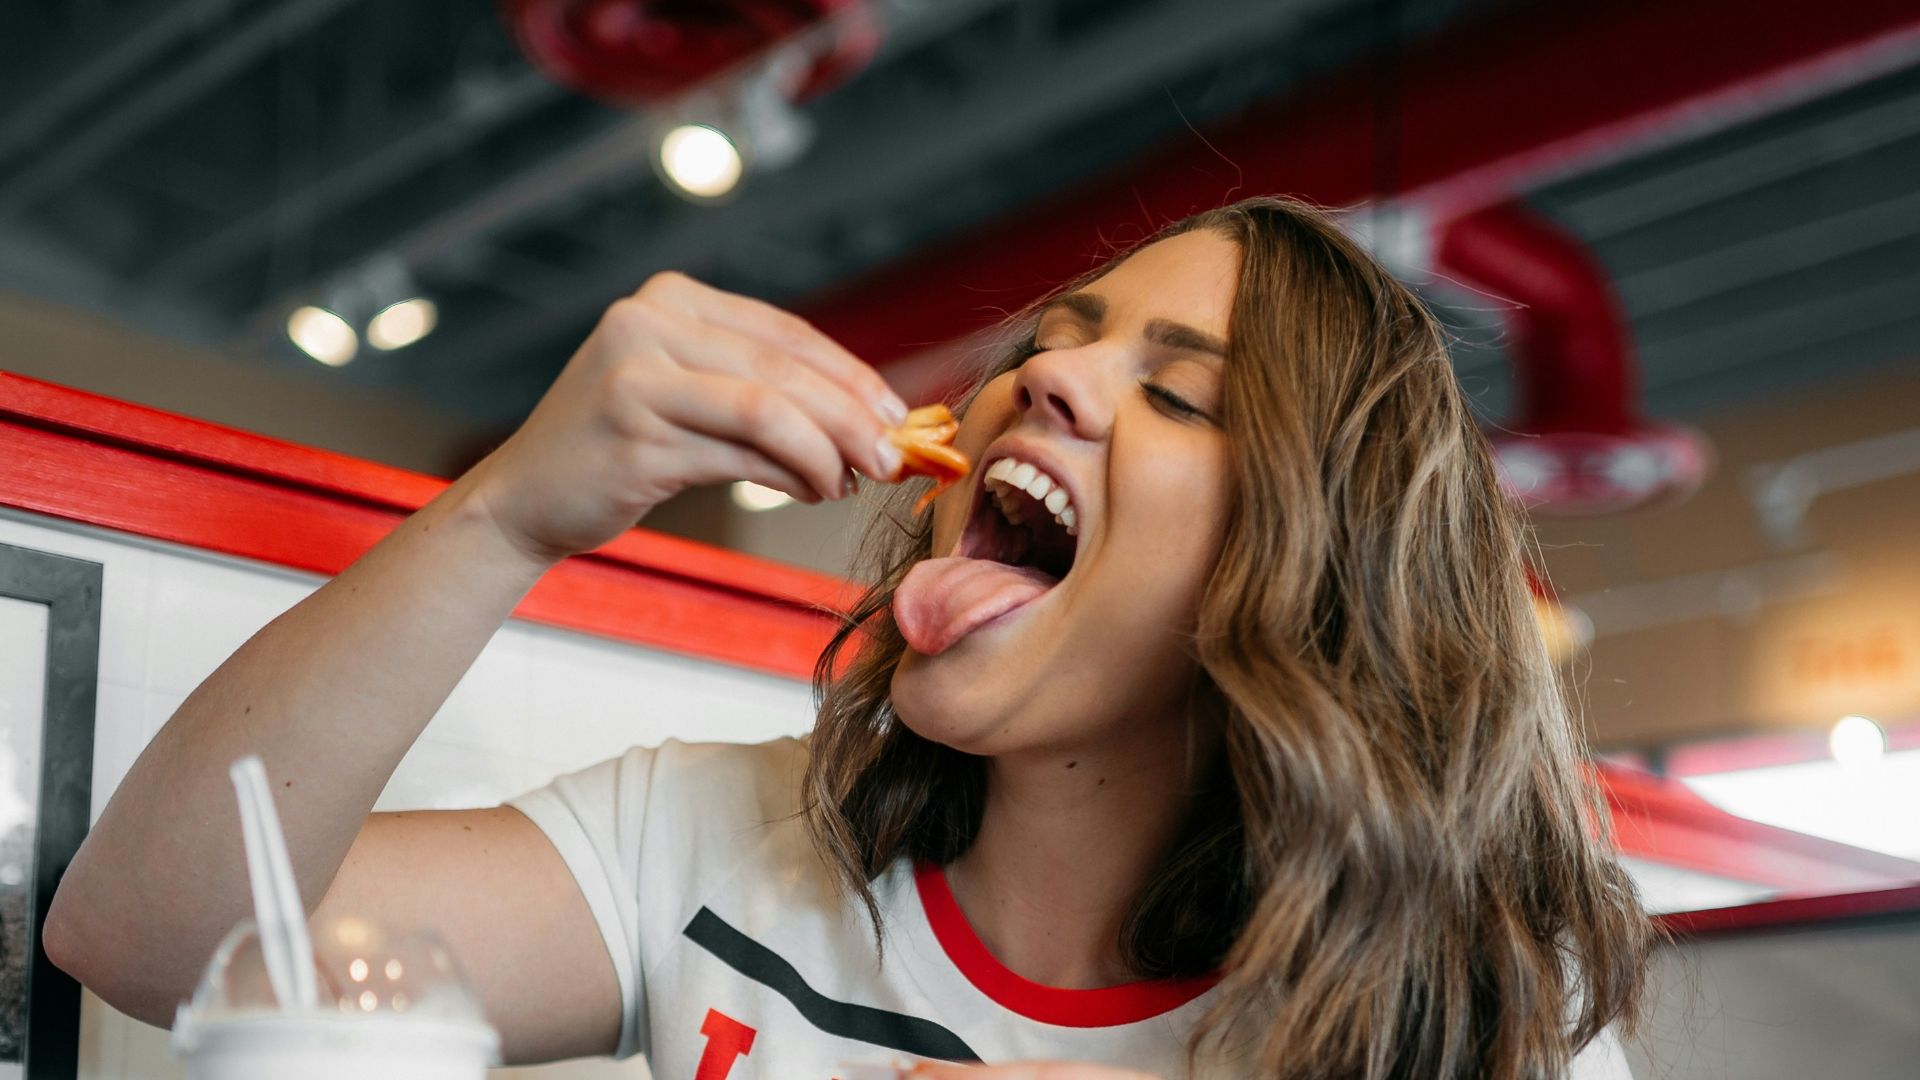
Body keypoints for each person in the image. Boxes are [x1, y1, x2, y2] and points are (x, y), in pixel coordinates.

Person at [46, 196, 1650, 1079]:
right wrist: (509, 511)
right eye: (1056, 345)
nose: (1048, 380)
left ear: (1321, 588)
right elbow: (145, 945)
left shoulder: (1471, 1017)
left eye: (1177, 396)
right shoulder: (712, 842)